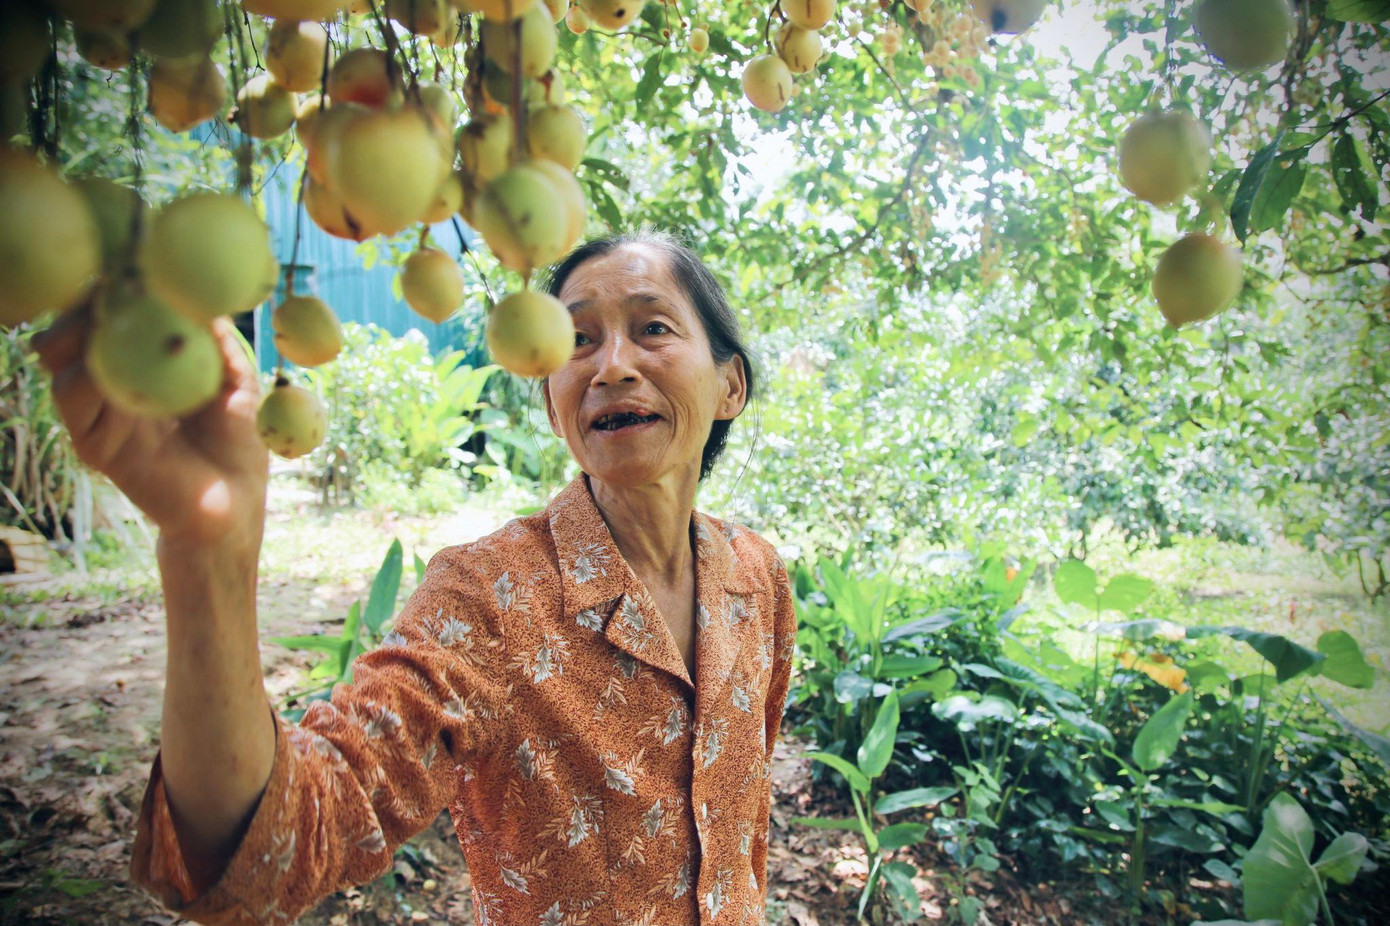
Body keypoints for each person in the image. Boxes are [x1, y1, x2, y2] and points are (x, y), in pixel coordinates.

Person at [32, 229, 798, 926]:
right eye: (578, 342)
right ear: (552, 404)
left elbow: (743, 820)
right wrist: (208, 551)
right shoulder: (489, 599)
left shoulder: (756, 579)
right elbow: (279, 848)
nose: (612, 366)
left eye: (653, 327)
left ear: (730, 385)